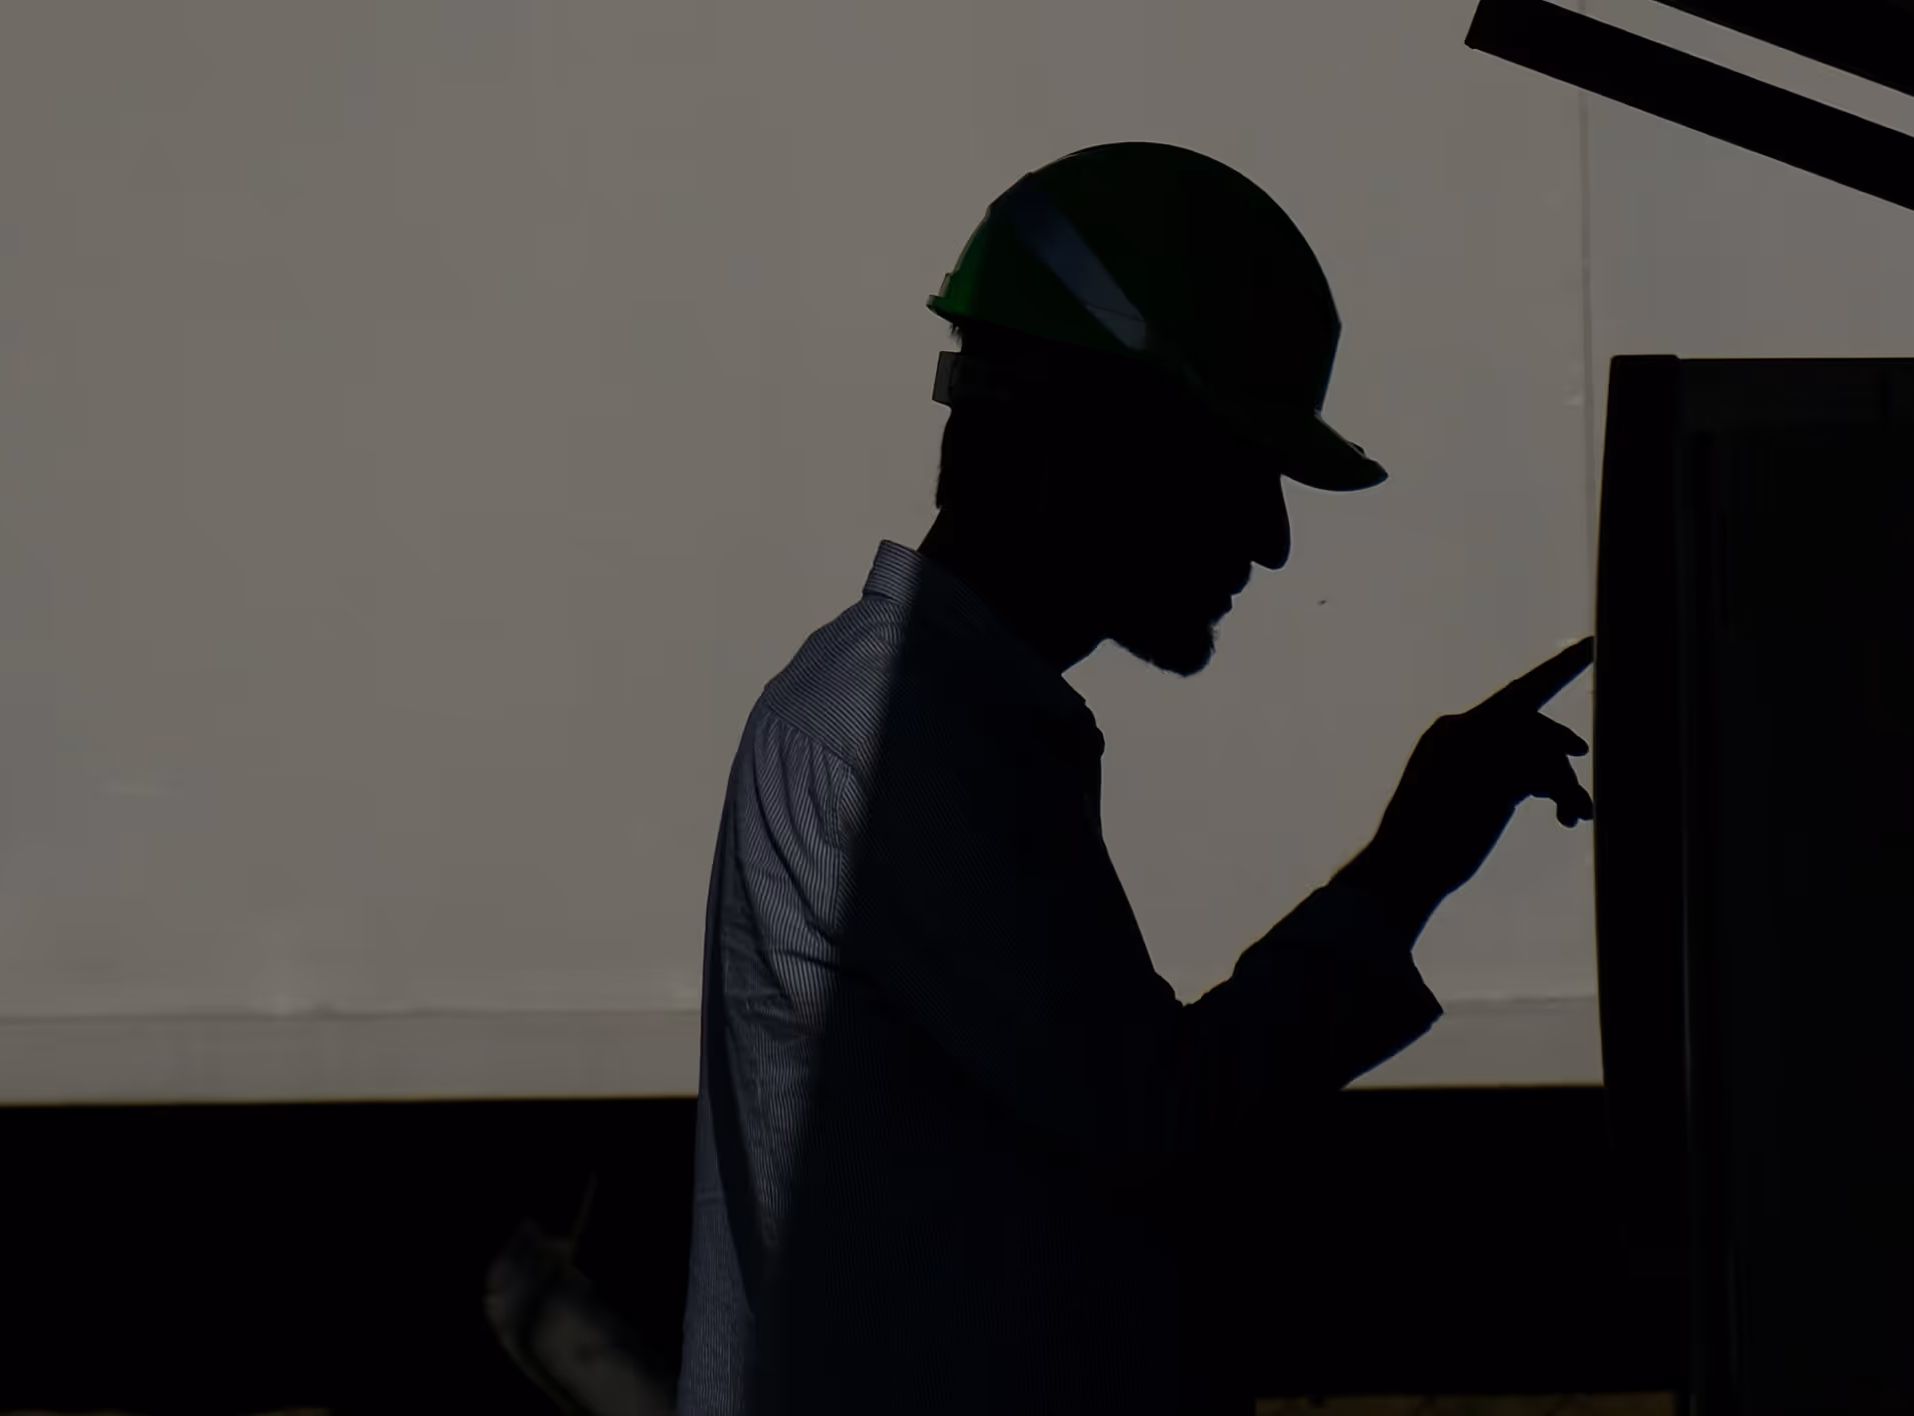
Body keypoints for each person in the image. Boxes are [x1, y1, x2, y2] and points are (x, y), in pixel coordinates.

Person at [675, 142, 1596, 1416]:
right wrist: (1407, 867)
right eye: (1239, 466)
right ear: (1094, 441)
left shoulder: (941, 722)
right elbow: (1158, 1121)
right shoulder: (889, 738)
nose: (1271, 542)